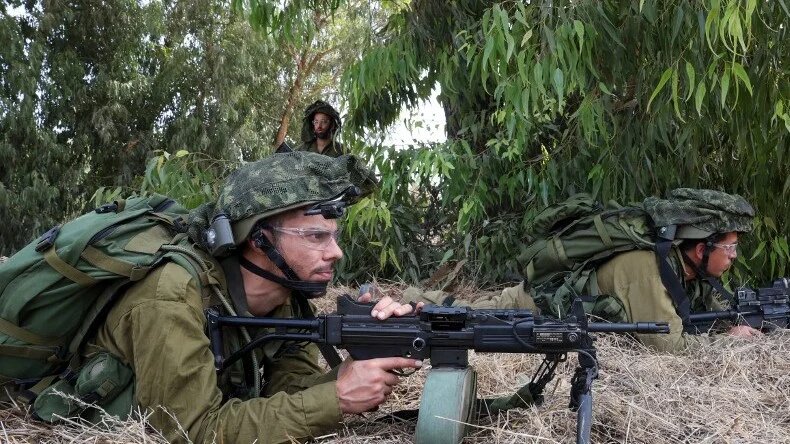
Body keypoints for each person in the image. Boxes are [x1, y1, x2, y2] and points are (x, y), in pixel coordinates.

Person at [87, 152, 421, 443]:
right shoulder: (172, 295)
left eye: (334, 237)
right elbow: (193, 432)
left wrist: (355, 366)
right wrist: (336, 398)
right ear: (258, 240)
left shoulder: (288, 299)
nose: (336, 252)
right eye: (316, 236)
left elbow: (288, 392)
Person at [400, 189, 761, 353]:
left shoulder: (687, 272)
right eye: (730, 248)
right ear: (700, 249)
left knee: (466, 311)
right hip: (534, 307)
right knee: (462, 316)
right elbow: (667, 345)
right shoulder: (650, 269)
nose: (733, 256)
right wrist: (727, 342)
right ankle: (406, 301)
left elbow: (707, 314)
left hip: (550, 306)